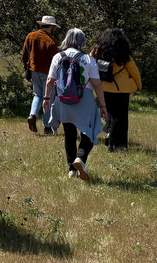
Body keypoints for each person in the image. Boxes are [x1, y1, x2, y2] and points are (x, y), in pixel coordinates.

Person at [43, 28, 108, 182]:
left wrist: (46, 98)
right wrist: (103, 105)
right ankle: (80, 159)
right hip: (84, 98)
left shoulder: (58, 56)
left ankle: (71, 170)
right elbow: (97, 85)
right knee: (90, 133)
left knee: (69, 134)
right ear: (82, 41)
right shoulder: (88, 59)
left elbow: (50, 80)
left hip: (63, 99)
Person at [90, 27, 142, 151]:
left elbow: (90, 61)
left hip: (103, 87)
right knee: (121, 118)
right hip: (121, 89)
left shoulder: (98, 50)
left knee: (110, 114)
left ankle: (110, 136)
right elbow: (134, 71)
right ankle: (118, 144)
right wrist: (139, 86)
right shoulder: (123, 53)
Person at [22, 15, 61, 134]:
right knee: (48, 98)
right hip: (48, 73)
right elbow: (56, 61)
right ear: (52, 27)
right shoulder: (51, 42)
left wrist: (26, 67)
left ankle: (32, 115)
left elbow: (24, 54)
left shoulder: (30, 36)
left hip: (33, 71)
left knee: (37, 95)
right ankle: (47, 126)